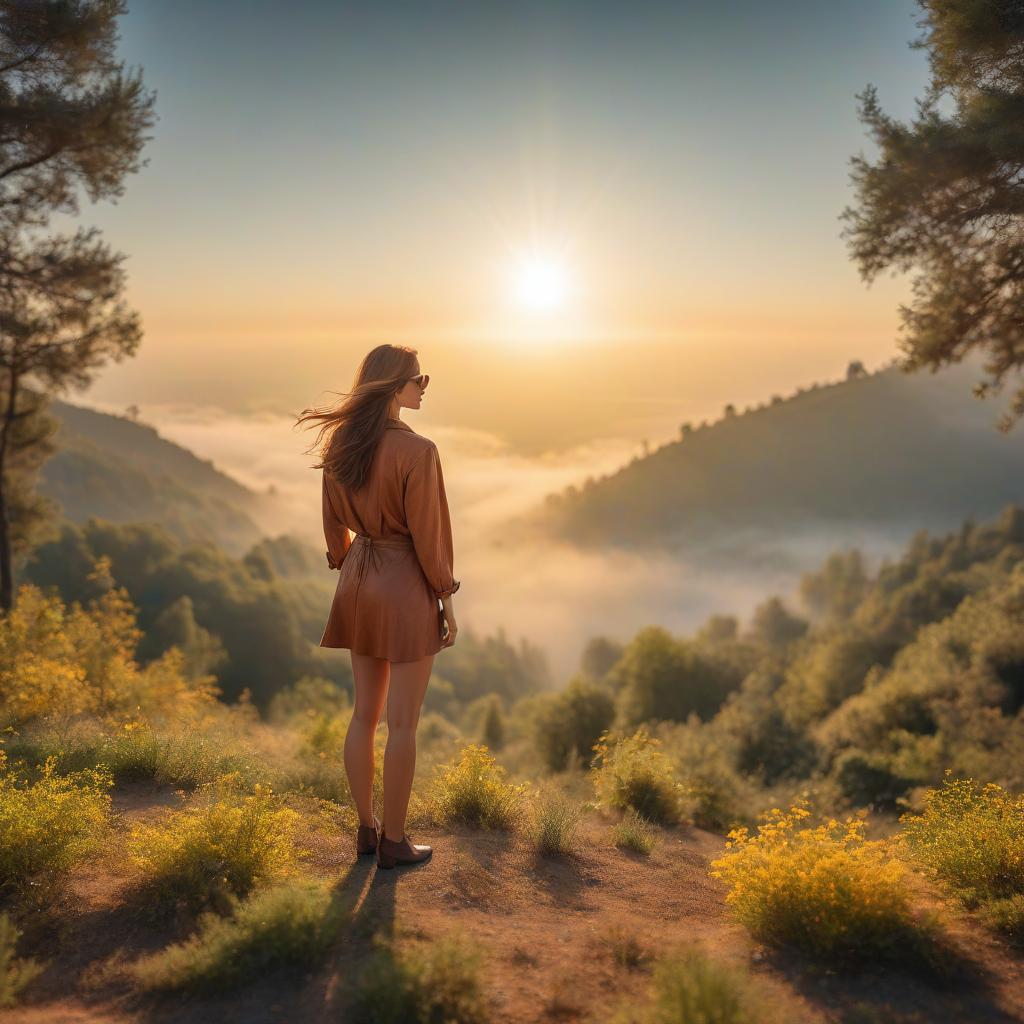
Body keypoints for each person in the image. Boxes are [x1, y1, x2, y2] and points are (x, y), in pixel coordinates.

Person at [296, 344, 459, 869]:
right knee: (403, 725)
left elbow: (332, 525)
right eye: (420, 380)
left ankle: (366, 833)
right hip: (404, 583)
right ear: (395, 387)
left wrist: (347, 564)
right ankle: (395, 841)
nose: (424, 388)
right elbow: (430, 537)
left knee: (364, 716)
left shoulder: (343, 445)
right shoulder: (419, 452)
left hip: (357, 581)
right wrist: (446, 596)